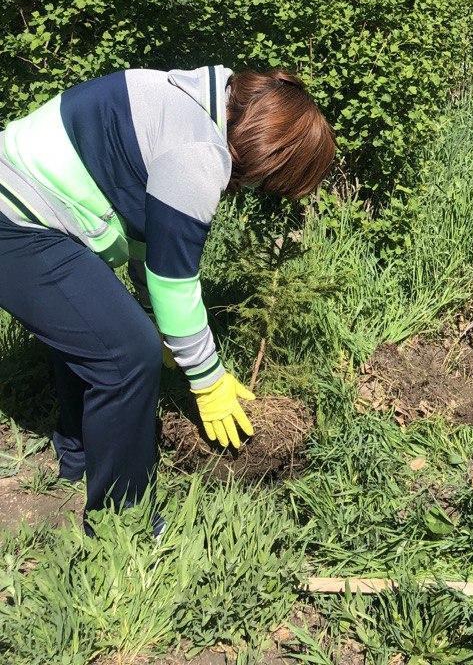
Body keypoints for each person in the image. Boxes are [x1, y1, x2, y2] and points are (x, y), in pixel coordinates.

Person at [0, 66, 335, 530]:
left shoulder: (188, 101)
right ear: (270, 154)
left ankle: (76, 455)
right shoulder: (198, 152)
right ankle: (124, 522)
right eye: (269, 180)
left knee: (100, 327)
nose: (257, 188)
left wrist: (150, 317)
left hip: (28, 203)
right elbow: (174, 278)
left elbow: (145, 236)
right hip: (17, 217)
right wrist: (208, 380)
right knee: (126, 354)